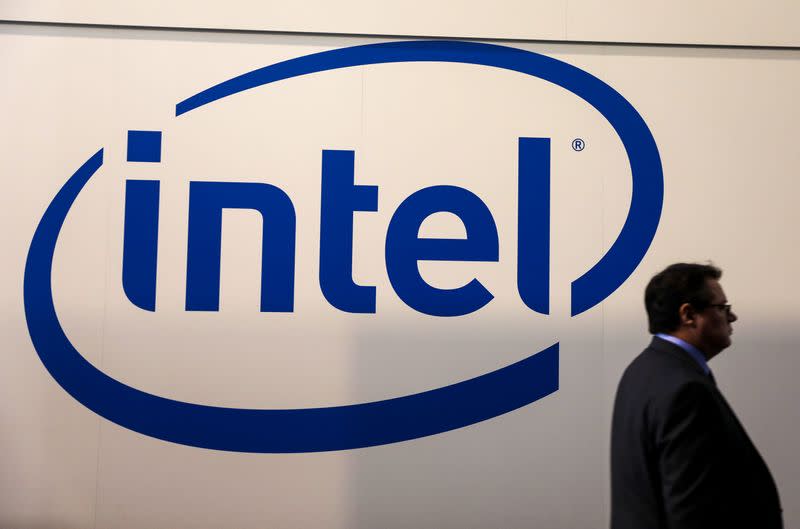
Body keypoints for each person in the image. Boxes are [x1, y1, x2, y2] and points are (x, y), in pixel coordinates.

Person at [610, 263, 782, 529]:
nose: (732, 317)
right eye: (722, 308)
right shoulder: (686, 391)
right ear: (689, 315)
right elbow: (691, 510)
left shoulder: (641, 371)